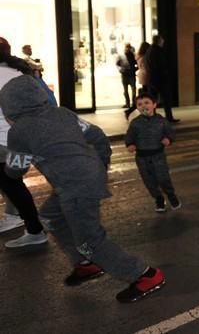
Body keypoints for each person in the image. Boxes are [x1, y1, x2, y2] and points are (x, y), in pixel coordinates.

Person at [0, 75, 165, 302]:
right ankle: (85, 263)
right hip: (85, 176)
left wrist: (9, 171)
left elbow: (16, 169)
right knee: (50, 216)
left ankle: (145, 275)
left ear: (11, 111)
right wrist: (101, 163)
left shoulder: (19, 131)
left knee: (90, 240)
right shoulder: (62, 113)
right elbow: (97, 135)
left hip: (74, 186)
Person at [0, 38, 47, 247]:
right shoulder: (19, 73)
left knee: (12, 184)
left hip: (3, 140)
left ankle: (35, 229)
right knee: (12, 183)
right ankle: (20, 219)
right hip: (18, 138)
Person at [125, 92, 180, 213]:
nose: (143, 106)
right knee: (149, 181)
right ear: (137, 107)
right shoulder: (135, 123)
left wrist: (168, 139)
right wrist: (130, 144)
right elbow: (129, 136)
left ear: (154, 105)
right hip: (142, 157)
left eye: (146, 103)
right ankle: (159, 199)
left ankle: (171, 195)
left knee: (163, 178)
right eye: (139, 104)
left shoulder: (162, 121)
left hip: (158, 156)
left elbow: (170, 133)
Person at [145, 35, 179, 123]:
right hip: (160, 80)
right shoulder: (157, 51)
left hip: (152, 79)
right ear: (159, 41)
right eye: (162, 40)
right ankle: (168, 117)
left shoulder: (149, 50)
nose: (163, 42)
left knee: (153, 100)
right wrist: (165, 75)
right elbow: (160, 66)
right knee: (166, 99)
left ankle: (152, 118)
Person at [126, 42, 150, 120]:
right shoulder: (145, 57)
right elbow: (147, 67)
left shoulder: (139, 56)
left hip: (142, 75)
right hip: (146, 76)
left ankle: (132, 110)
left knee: (145, 96)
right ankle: (133, 110)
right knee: (147, 97)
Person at [117, 43, 138, 110]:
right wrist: (120, 69)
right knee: (126, 90)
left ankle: (133, 104)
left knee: (133, 90)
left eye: (128, 48)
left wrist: (134, 69)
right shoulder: (122, 56)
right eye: (126, 47)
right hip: (125, 74)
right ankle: (128, 103)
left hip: (131, 74)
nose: (127, 49)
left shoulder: (133, 55)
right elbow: (117, 64)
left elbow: (137, 63)